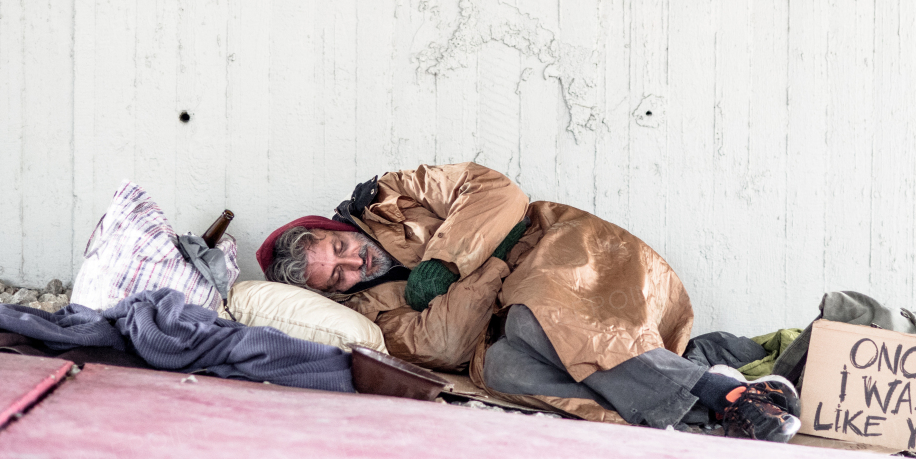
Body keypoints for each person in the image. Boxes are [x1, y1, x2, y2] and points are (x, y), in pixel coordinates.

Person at [256, 162, 800, 440]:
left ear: (334, 229)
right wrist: (492, 268)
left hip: (562, 254)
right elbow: (443, 343)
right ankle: (710, 409)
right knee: (504, 365)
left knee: (536, 314)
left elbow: (497, 194)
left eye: (340, 249)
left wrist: (447, 265)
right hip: (507, 317)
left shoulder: (394, 194)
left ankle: (719, 395)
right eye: (337, 279)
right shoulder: (366, 313)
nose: (355, 265)